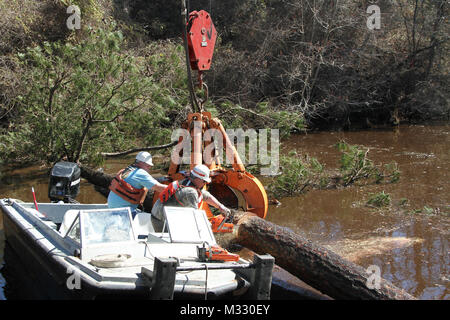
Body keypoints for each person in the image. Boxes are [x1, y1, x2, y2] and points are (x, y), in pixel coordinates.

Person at [151, 164, 232, 232]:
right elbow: (194, 216)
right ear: (197, 178)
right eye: (204, 181)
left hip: (162, 214)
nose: (205, 183)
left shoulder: (188, 182)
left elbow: (206, 196)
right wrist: (210, 226)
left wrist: (221, 207)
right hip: (161, 221)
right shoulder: (190, 192)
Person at [108, 151, 167, 217]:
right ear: (141, 163)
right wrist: (177, 187)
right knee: (151, 219)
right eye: (148, 165)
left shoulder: (128, 169)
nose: (149, 167)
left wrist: (159, 179)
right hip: (123, 212)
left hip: (112, 209)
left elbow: (142, 180)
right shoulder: (140, 173)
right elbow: (159, 187)